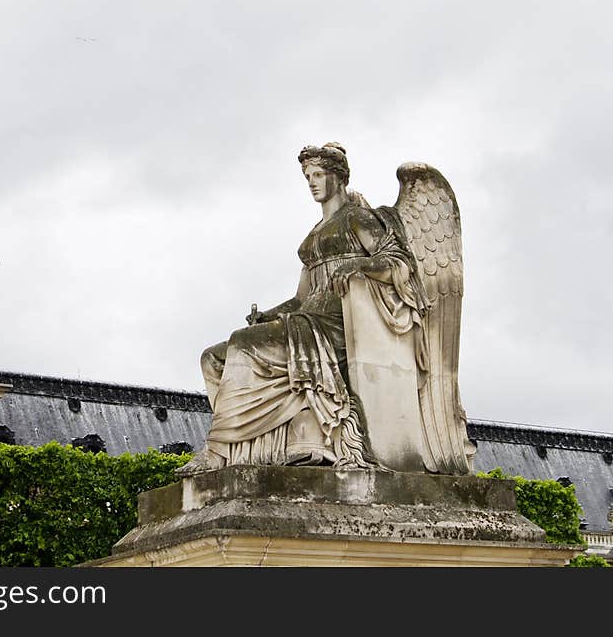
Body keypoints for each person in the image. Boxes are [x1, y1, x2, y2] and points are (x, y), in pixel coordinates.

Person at [178, 142, 436, 475]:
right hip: (306, 319)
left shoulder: (356, 218)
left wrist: (360, 269)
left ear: (338, 178)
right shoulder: (314, 235)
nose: (312, 183)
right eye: (307, 176)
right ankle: (247, 449)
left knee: (242, 346)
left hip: (337, 326)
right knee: (215, 358)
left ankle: (218, 450)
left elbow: (398, 261)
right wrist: (269, 315)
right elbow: (301, 298)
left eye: (318, 175)